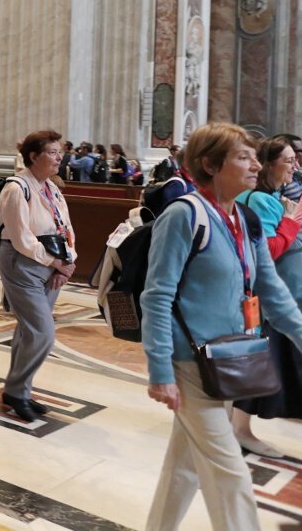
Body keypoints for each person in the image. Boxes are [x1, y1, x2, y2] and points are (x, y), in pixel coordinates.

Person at [143, 123, 302, 530]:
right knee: (230, 472)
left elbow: (271, 290)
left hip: (230, 357)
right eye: (243, 157)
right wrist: (160, 372)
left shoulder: (243, 218)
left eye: (254, 156)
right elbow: (157, 296)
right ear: (211, 164)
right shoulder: (183, 216)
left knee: (186, 467)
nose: (255, 165)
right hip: (191, 361)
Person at [231, 136, 302, 457]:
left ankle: (238, 428)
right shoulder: (260, 199)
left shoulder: (270, 197)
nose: (294, 166)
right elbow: (269, 249)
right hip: (269, 299)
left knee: (269, 363)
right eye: (288, 161)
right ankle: (239, 430)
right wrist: (291, 222)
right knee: (263, 361)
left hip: (278, 297)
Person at [0, 130, 76, 422]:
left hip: (52, 262)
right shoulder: (16, 188)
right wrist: (56, 262)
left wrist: (67, 262)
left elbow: (66, 227)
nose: (59, 158)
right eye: (53, 153)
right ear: (34, 156)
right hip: (23, 263)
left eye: (60, 152)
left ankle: (20, 391)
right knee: (43, 332)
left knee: (28, 330)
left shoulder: (52, 188)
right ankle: (16, 391)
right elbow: (21, 239)